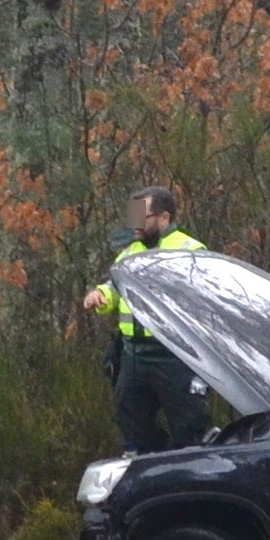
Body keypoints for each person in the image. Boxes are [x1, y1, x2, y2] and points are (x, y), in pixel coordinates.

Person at [85, 185, 211, 453]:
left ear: (164, 218)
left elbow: (204, 298)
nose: (135, 226)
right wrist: (100, 295)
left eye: (142, 218)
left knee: (190, 428)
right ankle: (155, 469)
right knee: (131, 423)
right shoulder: (129, 253)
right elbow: (114, 288)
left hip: (176, 353)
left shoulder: (190, 249)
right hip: (134, 355)